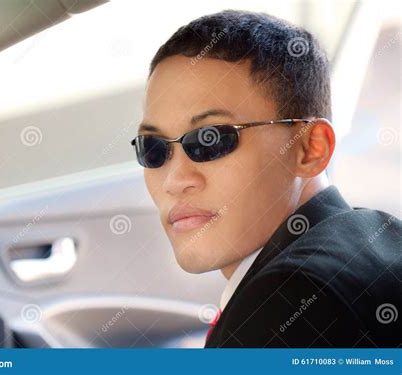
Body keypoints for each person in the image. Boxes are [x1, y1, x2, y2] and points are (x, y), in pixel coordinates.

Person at [130, 10, 401, 347]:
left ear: (310, 148)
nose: (174, 179)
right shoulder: (377, 238)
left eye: (210, 139)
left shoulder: (291, 303)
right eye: (153, 149)